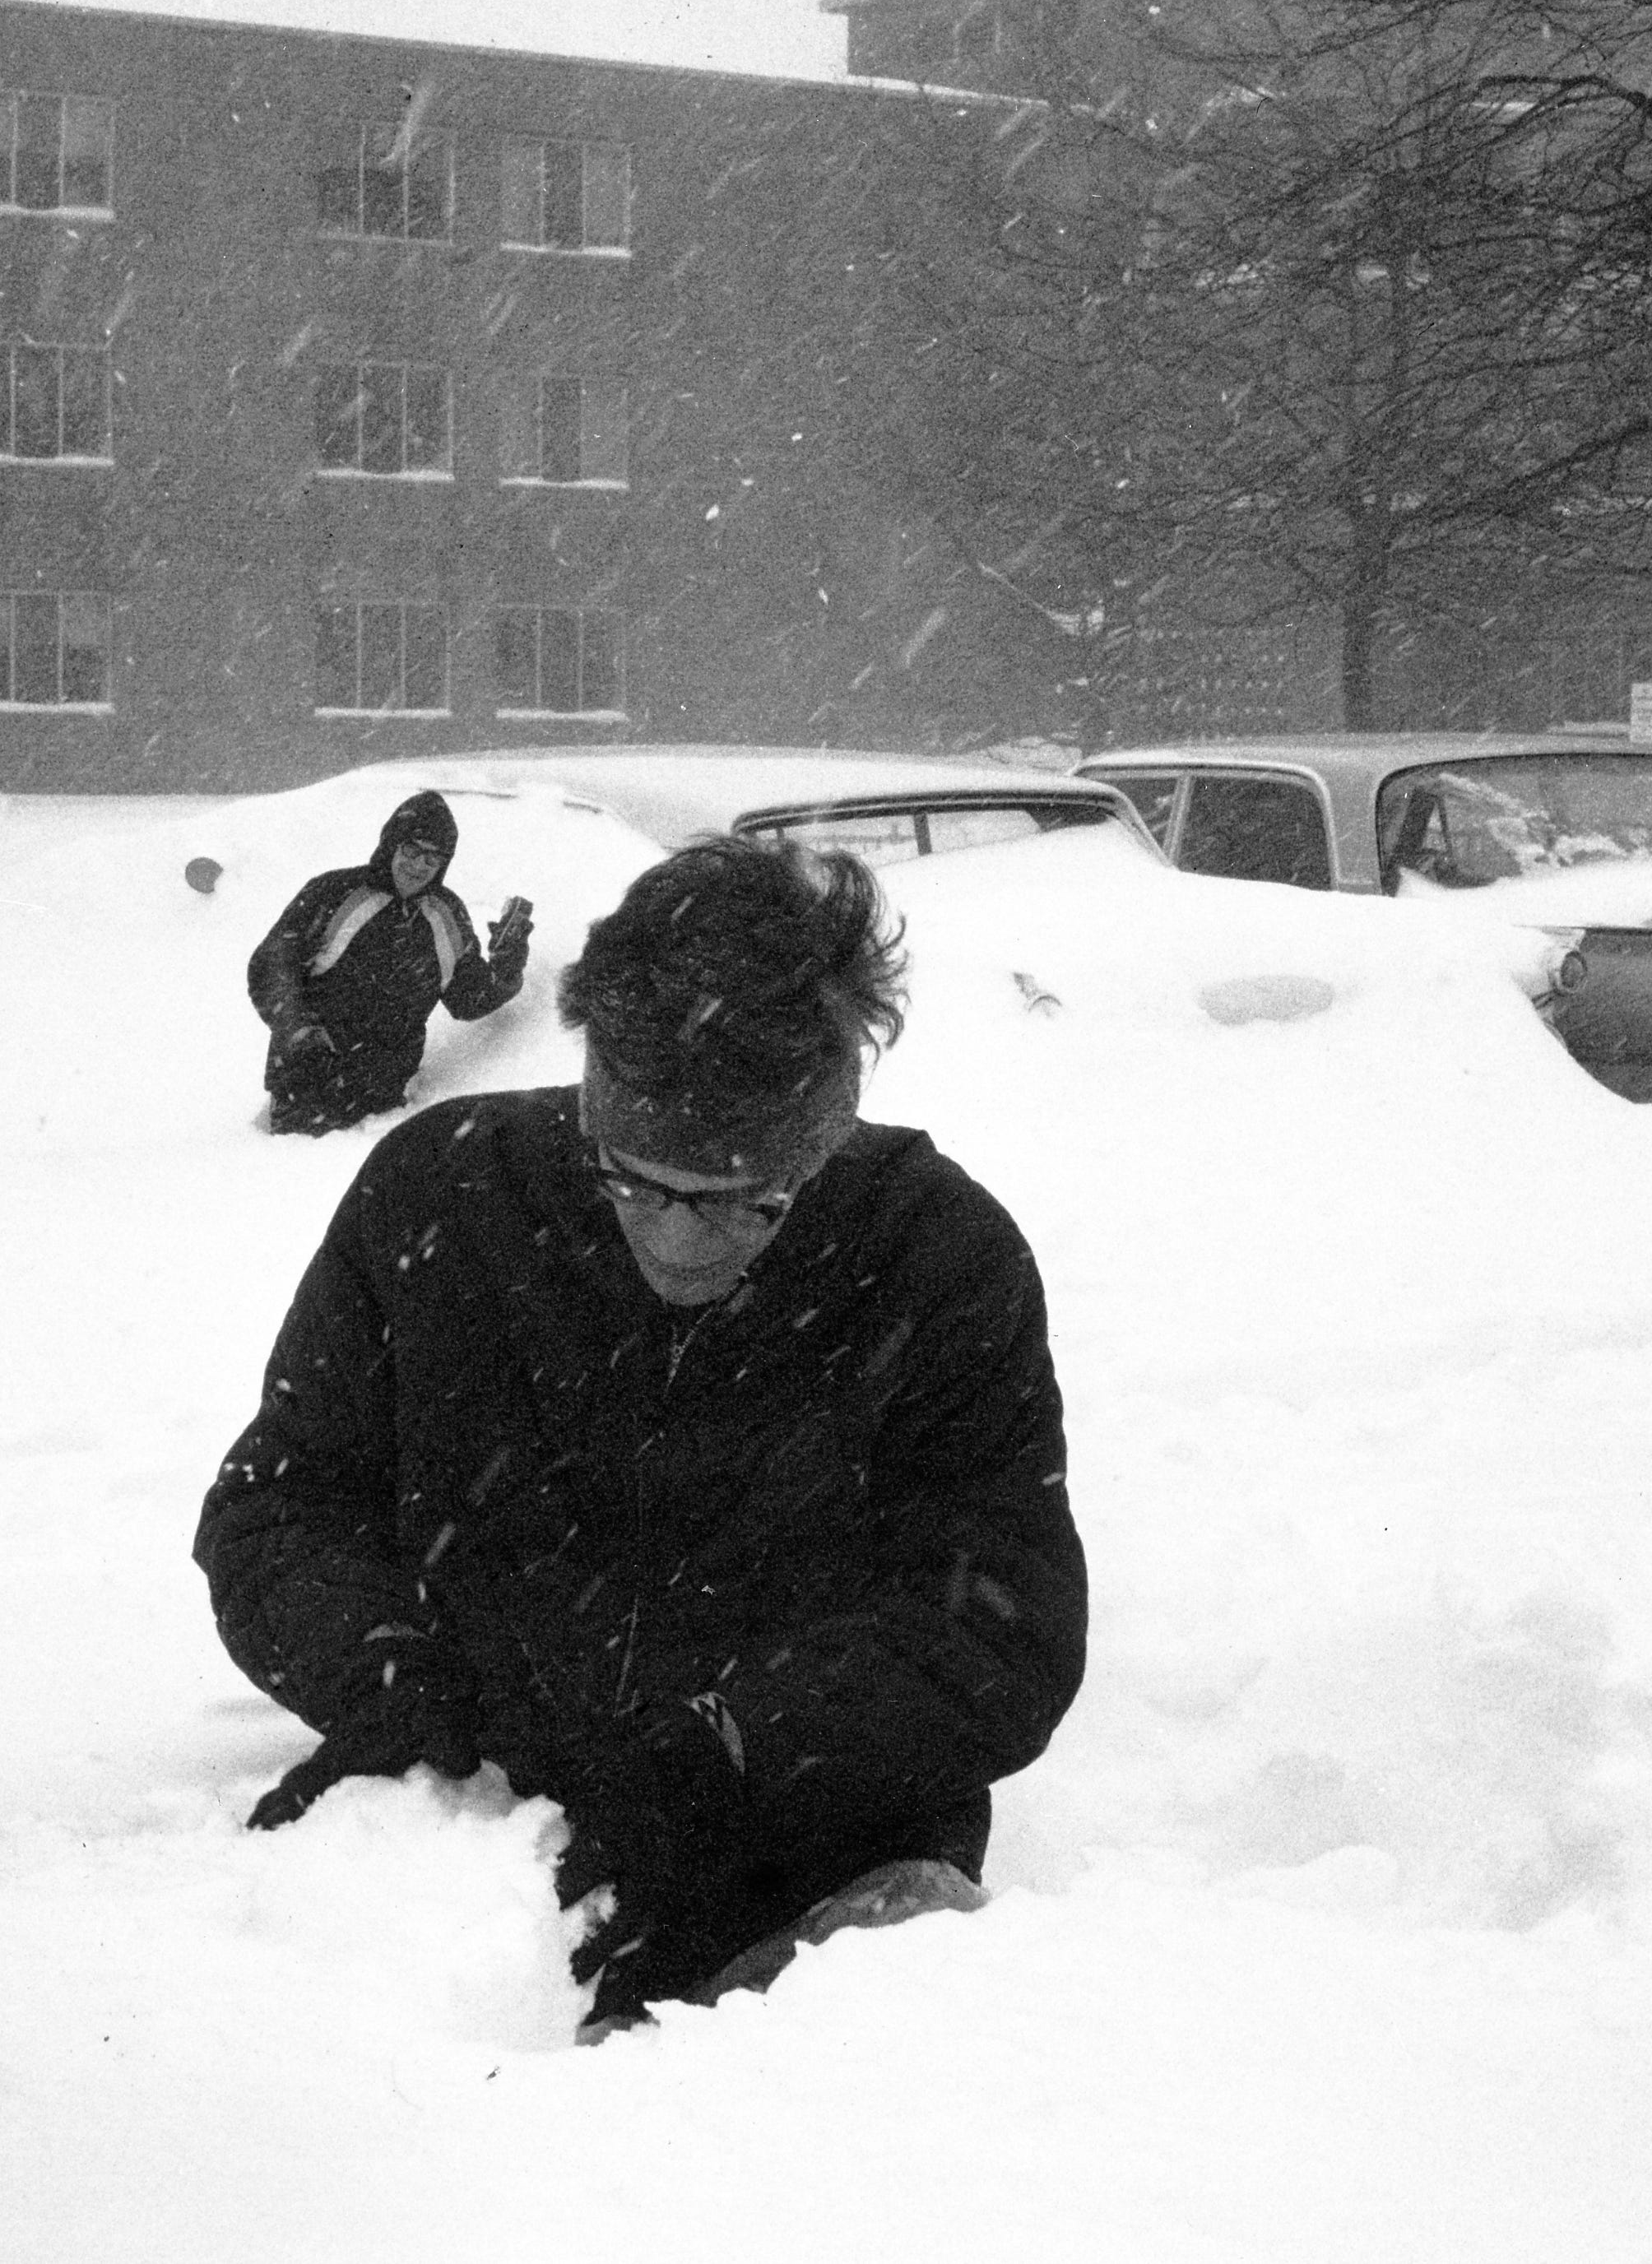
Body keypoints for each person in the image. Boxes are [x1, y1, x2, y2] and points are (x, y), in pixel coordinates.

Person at [194, 834, 1088, 2034]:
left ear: (823, 1141)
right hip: (457, 1843)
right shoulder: (442, 1198)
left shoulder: (936, 1257)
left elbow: (998, 1623)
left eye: (742, 1203)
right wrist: (397, 1682)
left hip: (807, 1864)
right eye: (636, 1183)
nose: (677, 1243)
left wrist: (731, 1749)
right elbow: (279, 1506)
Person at [246, 790, 531, 1134]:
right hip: (304, 1098)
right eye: (411, 850)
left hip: (385, 1111)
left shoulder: (446, 914)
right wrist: (300, 1033)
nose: (419, 866)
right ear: (391, 845)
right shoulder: (334, 893)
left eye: (432, 858)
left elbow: (468, 1000)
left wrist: (509, 961)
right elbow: (271, 968)